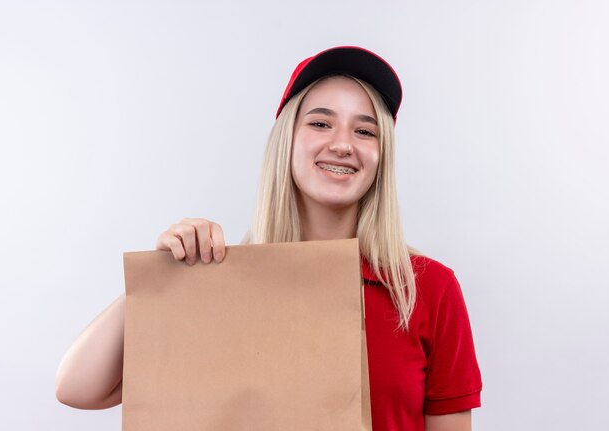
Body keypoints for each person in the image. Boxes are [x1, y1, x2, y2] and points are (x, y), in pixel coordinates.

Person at [56, 46, 482, 430]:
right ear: (287, 141)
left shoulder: (426, 289)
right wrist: (165, 276)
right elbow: (77, 388)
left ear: (380, 156)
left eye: (365, 131)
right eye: (320, 122)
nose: (342, 144)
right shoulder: (223, 283)